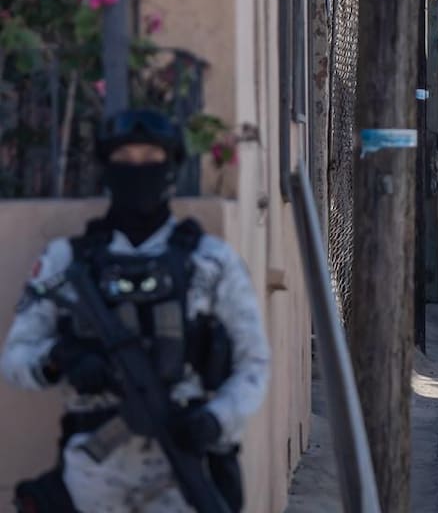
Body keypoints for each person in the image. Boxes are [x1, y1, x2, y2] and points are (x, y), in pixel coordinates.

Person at [2, 108, 271, 512]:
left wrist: (216, 419)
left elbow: (254, 364)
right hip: (92, 479)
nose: (137, 171)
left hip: (184, 468)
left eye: (151, 160)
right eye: (124, 161)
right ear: (106, 170)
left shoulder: (211, 262)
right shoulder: (64, 262)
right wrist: (61, 359)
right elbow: (14, 358)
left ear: (171, 168)